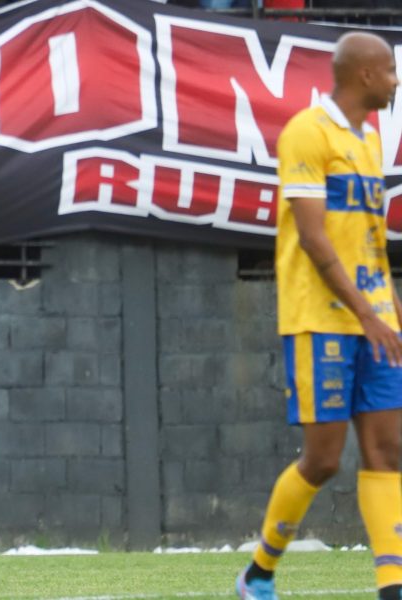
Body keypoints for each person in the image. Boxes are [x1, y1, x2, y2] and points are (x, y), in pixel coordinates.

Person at [236, 32, 402, 600]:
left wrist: (390, 310)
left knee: (387, 450)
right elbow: (312, 238)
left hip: (375, 321)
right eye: (389, 72)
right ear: (364, 76)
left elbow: (371, 238)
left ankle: (392, 583)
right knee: (324, 459)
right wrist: (366, 313)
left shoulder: (370, 139)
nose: (396, 81)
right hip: (321, 320)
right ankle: (259, 571)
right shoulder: (306, 133)